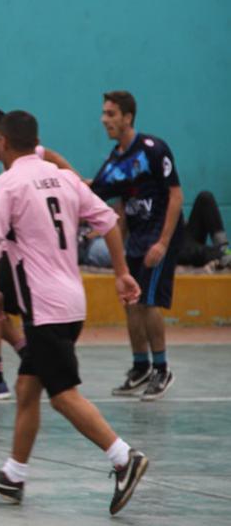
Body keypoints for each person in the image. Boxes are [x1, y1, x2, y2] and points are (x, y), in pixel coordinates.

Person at [0, 110, 148, 515]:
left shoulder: (7, 184)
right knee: (26, 387)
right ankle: (14, 475)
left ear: (5, 142)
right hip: (72, 302)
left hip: (44, 307)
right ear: (36, 142)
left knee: (63, 396)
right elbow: (109, 221)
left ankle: (124, 457)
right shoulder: (63, 178)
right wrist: (121, 273)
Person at [0, 108, 76, 399]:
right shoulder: (10, 167)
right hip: (17, 255)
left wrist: (75, 181)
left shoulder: (27, 158)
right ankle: (26, 352)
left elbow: (52, 157)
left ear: (5, 139)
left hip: (27, 259)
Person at [91, 91, 182, 401]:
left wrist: (163, 243)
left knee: (148, 302)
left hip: (159, 235)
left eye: (111, 114)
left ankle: (162, 369)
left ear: (127, 117)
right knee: (131, 301)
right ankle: (140, 366)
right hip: (136, 237)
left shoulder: (153, 149)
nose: (104, 119)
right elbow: (97, 193)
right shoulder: (115, 160)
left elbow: (176, 196)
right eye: (104, 113)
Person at [176, 191, 231, 268]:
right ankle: (222, 254)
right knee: (198, 252)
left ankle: (225, 250)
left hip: (182, 235)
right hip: (171, 246)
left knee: (205, 198)